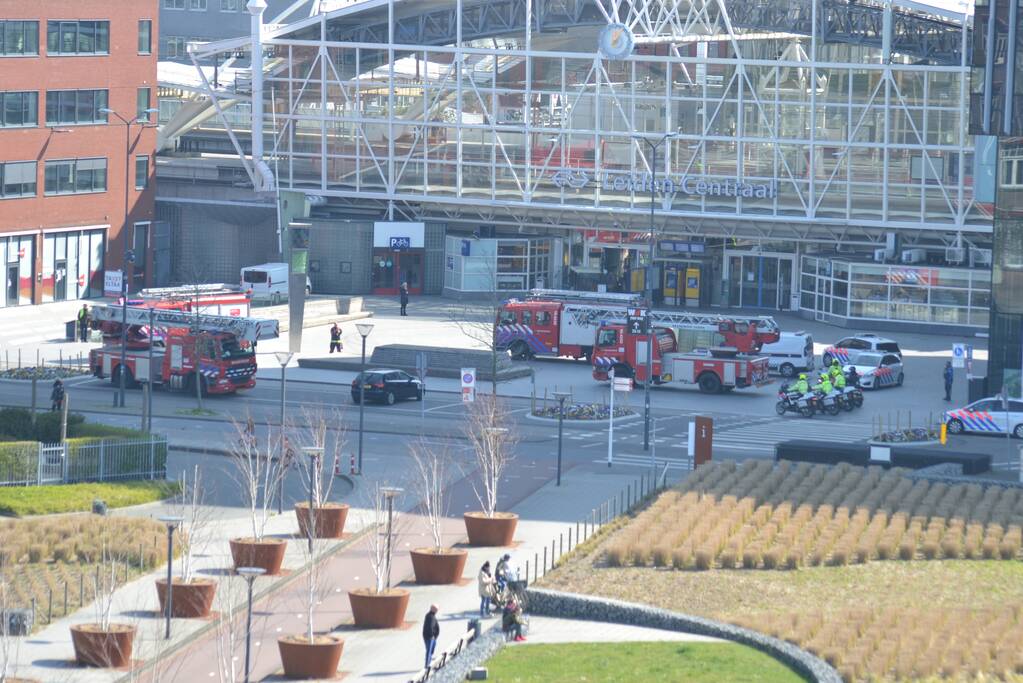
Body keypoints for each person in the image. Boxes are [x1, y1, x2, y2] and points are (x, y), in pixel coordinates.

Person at [422, 604, 440, 669]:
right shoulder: (431, 617)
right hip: (429, 637)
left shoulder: (430, 616)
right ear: (433, 609)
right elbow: (430, 627)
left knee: (430, 650)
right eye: (436, 609)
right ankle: (427, 666)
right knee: (429, 651)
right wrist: (432, 635)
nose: (437, 611)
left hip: (430, 637)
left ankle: (428, 663)